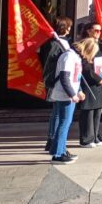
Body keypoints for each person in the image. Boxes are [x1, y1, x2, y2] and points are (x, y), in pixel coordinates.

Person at [49, 35, 85, 163]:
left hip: (68, 94)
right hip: (65, 95)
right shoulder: (69, 57)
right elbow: (65, 77)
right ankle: (58, 154)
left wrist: (79, 91)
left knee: (64, 123)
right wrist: (72, 94)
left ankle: (60, 149)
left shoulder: (73, 57)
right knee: (64, 123)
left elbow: (76, 77)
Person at [41, 16, 73, 153]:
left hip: (60, 81)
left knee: (58, 113)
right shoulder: (54, 43)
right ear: (64, 27)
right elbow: (51, 64)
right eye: (68, 26)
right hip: (57, 82)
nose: (70, 29)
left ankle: (53, 141)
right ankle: (53, 140)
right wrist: (52, 81)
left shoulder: (63, 42)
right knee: (57, 114)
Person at [77, 35, 102, 147]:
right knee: (88, 114)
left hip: (99, 87)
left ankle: (95, 136)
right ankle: (86, 139)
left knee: (97, 112)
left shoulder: (99, 52)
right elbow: (86, 71)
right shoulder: (82, 57)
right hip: (89, 86)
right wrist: (99, 79)